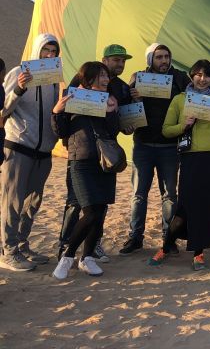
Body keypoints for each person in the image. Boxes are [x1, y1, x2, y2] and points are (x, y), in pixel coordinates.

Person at [148, 60, 210, 271]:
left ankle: (198, 253)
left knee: (205, 206)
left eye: (207, 75)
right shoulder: (179, 99)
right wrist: (183, 125)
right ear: (192, 75)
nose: (202, 79)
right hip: (190, 158)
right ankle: (166, 247)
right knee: (185, 206)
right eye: (198, 74)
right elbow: (167, 130)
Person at [58, 44, 134, 262]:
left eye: (123, 61)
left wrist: (126, 125)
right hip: (80, 152)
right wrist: (69, 143)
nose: (119, 64)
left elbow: (121, 119)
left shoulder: (121, 87)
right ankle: (65, 243)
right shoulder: (83, 77)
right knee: (75, 202)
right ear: (105, 61)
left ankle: (93, 246)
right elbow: (67, 112)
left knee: (99, 205)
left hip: (104, 153)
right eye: (115, 60)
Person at [50, 62, 120, 280]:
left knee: (99, 211)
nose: (106, 79)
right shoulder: (73, 97)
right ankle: (68, 256)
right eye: (101, 75)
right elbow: (61, 131)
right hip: (80, 160)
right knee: (89, 211)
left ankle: (87, 257)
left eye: (106, 76)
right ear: (88, 78)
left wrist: (111, 112)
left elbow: (113, 131)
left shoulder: (108, 98)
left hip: (104, 162)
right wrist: (57, 112)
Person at [120, 44, 190, 255]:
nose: (164, 61)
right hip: (143, 145)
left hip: (169, 147)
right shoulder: (138, 77)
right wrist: (136, 98)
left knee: (169, 195)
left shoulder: (180, 78)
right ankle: (135, 238)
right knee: (139, 194)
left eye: (167, 56)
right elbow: (127, 109)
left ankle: (168, 239)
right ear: (150, 59)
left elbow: (193, 96)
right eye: (159, 57)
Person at [1, 33, 61, 271]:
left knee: (32, 203)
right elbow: (3, 109)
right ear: (37, 50)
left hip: (44, 151)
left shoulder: (53, 79)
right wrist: (19, 89)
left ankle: (23, 244)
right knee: (12, 203)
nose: (49, 55)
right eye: (45, 50)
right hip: (18, 147)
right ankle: (8, 250)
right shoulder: (17, 73)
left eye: (53, 51)